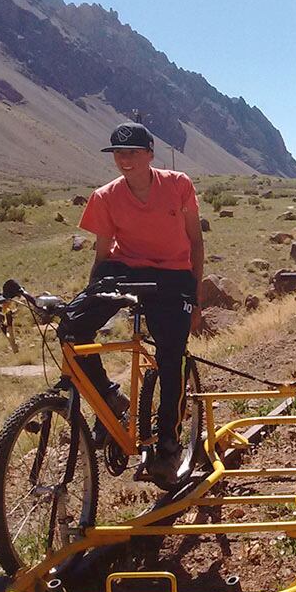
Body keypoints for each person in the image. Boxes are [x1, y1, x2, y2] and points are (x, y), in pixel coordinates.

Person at [69, 122, 205, 490]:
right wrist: (91, 298)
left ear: (149, 154)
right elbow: (101, 255)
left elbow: (195, 241)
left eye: (131, 152)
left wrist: (195, 295)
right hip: (124, 269)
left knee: (171, 355)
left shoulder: (179, 185)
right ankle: (111, 400)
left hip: (174, 276)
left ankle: (169, 443)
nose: (124, 160)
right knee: (71, 328)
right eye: (118, 153)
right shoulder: (105, 196)